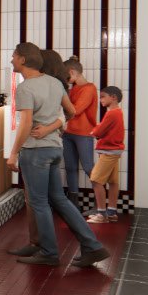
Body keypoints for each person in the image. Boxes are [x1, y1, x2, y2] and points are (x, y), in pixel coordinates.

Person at [6, 43, 109, 268]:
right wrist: (54, 127)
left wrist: (13, 153)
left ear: (23, 59)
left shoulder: (25, 88)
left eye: (13, 56)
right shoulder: (55, 82)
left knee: (39, 202)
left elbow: (25, 125)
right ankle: (92, 246)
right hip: (54, 149)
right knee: (59, 199)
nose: (11, 60)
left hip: (34, 151)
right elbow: (70, 111)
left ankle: (49, 252)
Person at [87, 86, 126, 223]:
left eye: (103, 96)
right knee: (113, 182)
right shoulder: (118, 112)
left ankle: (102, 215)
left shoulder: (111, 113)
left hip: (109, 151)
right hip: (115, 151)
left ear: (113, 97)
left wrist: (93, 132)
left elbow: (98, 132)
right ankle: (112, 212)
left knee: (96, 180)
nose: (100, 99)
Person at [61, 58, 97, 195]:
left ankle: (100, 205)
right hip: (68, 132)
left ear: (72, 72)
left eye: (66, 75)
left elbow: (75, 110)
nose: (65, 79)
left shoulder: (90, 88)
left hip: (84, 133)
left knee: (88, 168)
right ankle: (74, 203)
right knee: (70, 168)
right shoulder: (74, 88)